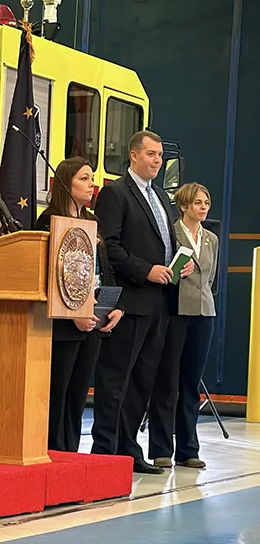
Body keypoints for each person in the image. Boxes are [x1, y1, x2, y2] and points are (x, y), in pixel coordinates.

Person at [92, 130, 194, 474]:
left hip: (159, 302)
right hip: (130, 300)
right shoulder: (115, 193)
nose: (157, 161)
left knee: (142, 380)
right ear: (134, 155)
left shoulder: (162, 198)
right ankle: (105, 448)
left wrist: (179, 264)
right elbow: (110, 248)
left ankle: (128, 448)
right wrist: (145, 270)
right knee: (116, 377)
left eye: (160, 156)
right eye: (151, 154)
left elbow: (163, 242)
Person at [36, 157, 123, 452]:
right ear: (65, 183)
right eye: (84, 178)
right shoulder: (48, 220)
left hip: (93, 320)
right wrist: (73, 315)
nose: (92, 184)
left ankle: (70, 455)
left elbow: (105, 269)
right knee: (57, 395)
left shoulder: (93, 221)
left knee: (77, 398)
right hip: (64, 325)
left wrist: (114, 306)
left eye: (91, 178)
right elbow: (49, 275)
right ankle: (53, 453)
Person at [148, 183, 219, 469]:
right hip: (175, 310)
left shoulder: (211, 239)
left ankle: (188, 449)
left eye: (206, 203)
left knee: (191, 383)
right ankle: (161, 447)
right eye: (198, 203)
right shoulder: (171, 233)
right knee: (167, 380)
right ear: (184, 206)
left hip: (203, 313)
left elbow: (210, 279)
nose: (203, 208)